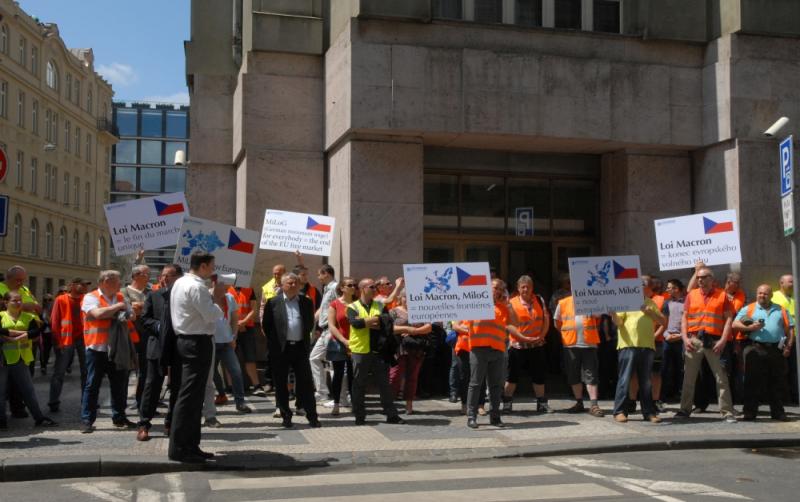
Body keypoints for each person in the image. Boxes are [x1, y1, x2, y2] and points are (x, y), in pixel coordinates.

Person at [168, 252, 223, 463]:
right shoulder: (196, 286)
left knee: (193, 395)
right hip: (196, 342)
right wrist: (217, 298)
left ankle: (190, 444)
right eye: (211, 266)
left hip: (188, 340)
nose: (213, 270)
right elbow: (211, 315)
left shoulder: (181, 282)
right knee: (190, 396)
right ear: (202, 266)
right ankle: (181, 447)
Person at [674, 266, 737, 422]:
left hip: (714, 341)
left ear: (711, 279)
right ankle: (684, 409)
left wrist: (723, 340)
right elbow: (685, 318)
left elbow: (729, 319)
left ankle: (727, 412)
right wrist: (685, 338)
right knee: (689, 377)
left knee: (721, 378)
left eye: (703, 277)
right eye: (698, 278)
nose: (700, 280)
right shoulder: (692, 295)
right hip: (694, 340)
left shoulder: (723, 296)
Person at [80, 270, 138, 433]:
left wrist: (123, 312)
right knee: (92, 385)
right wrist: (119, 308)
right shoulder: (91, 297)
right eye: (117, 281)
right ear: (106, 282)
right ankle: (87, 420)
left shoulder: (120, 296)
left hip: (117, 348)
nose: (120, 284)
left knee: (119, 385)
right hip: (97, 349)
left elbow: (132, 315)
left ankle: (119, 417)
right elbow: (97, 313)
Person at [466, 278, 529, 429]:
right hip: (478, 349)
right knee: (475, 384)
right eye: (495, 288)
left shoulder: (503, 307)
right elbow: (461, 323)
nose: (498, 291)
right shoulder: (475, 303)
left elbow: (515, 323)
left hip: (498, 350)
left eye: (501, 289)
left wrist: (509, 305)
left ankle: (495, 416)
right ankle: (471, 416)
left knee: (495, 386)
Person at [262, 273, 321, 428]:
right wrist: (276, 342)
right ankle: (285, 415)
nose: (293, 285)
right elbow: (267, 326)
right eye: (290, 283)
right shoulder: (273, 302)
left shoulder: (306, 302)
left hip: (300, 347)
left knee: (306, 383)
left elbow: (309, 323)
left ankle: (312, 416)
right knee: (281, 383)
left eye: (296, 283)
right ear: (282, 285)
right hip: (281, 349)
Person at [346, 278, 405, 426]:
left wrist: (367, 321)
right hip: (360, 350)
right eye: (372, 287)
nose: (375, 289)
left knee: (384, 384)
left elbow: (387, 323)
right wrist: (372, 321)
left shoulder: (379, 304)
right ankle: (360, 416)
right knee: (359, 384)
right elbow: (355, 323)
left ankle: (391, 415)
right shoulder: (352, 307)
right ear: (363, 289)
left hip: (379, 350)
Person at [732, 284, 793, 421]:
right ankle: (749, 412)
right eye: (760, 293)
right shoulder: (750, 308)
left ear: (771, 295)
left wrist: (788, 346)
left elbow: (790, 329)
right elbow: (735, 324)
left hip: (775, 349)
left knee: (776, 382)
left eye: (765, 294)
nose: (762, 296)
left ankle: (778, 412)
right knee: (751, 381)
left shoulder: (781, 309)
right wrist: (750, 327)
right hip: (755, 348)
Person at [609, 280, 667, 423]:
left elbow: (663, 321)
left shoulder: (650, 302)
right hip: (628, 345)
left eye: (642, 285)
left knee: (646, 381)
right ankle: (620, 411)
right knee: (624, 379)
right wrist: (613, 315)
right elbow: (619, 323)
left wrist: (649, 312)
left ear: (645, 289)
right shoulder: (624, 301)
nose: (639, 288)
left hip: (647, 346)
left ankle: (648, 413)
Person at [137, 265, 182, 441]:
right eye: (162, 276)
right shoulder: (153, 295)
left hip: (177, 348)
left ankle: (171, 422)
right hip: (156, 347)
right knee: (151, 386)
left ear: (178, 277)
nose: (163, 279)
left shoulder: (182, 296)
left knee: (177, 387)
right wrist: (159, 327)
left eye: (168, 276)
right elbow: (145, 318)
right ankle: (144, 424)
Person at [0, 291, 57, 428]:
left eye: (20, 300)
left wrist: (16, 336)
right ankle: (1, 421)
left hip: (21, 359)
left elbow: (36, 332)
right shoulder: (1, 316)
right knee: (1, 392)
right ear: (6, 302)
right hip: (3, 359)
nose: (19, 303)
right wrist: (23, 334)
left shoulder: (29, 317)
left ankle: (39, 418)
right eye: (15, 300)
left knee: (28, 391)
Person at [503, 275, 552, 414]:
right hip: (518, 345)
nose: (526, 289)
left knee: (539, 375)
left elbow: (546, 319)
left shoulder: (539, 299)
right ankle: (507, 403)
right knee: (512, 376)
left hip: (537, 344)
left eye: (528, 286)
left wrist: (541, 336)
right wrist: (523, 338)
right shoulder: (511, 302)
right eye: (523, 287)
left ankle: (542, 403)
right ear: (518, 288)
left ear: (532, 288)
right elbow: (509, 325)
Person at [554, 294, 604, 417]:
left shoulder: (593, 300)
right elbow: (557, 322)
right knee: (573, 374)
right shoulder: (563, 302)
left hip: (589, 343)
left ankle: (594, 405)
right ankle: (579, 402)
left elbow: (598, 319)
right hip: (570, 344)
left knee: (591, 374)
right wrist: (566, 334)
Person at [48, 277, 91, 413]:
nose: (85, 287)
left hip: (84, 339)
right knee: (59, 373)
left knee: (87, 372)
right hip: (66, 341)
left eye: (86, 285)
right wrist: (58, 343)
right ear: (72, 285)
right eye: (82, 284)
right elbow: (54, 322)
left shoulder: (87, 299)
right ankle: (53, 402)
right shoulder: (61, 299)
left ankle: (87, 401)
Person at [389, 290, 432, 415]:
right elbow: (390, 328)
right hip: (399, 348)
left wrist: (413, 332)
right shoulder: (394, 311)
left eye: (411, 297)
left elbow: (428, 327)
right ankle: (390, 403)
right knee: (394, 376)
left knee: (412, 377)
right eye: (406, 297)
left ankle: (409, 405)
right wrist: (408, 328)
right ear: (400, 298)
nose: (408, 300)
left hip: (416, 348)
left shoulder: (421, 310)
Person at [121, 265, 151, 410]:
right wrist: (139, 307)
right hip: (128, 338)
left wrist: (140, 307)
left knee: (145, 372)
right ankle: (121, 404)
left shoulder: (151, 292)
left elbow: (153, 310)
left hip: (147, 337)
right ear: (136, 275)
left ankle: (142, 402)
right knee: (126, 371)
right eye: (146, 274)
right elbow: (128, 310)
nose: (149, 276)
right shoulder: (124, 291)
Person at [325, 276, 356, 415]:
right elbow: (331, 325)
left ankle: (354, 403)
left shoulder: (358, 303)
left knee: (353, 375)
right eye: (350, 285)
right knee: (338, 374)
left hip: (356, 343)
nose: (353, 287)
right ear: (342, 288)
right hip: (338, 343)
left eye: (354, 285)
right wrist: (344, 340)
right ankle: (336, 403)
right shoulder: (335, 304)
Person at [228, 285, 264, 396]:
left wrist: (243, 322)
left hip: (247, 328)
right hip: (230, 328)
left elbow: (254, 309)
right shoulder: (227, 289)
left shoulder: (249, 289)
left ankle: (257, 386)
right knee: (229, 357)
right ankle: (231, 386)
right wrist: (236, 325)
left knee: (250, 357)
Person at [311, 264, 338, 404]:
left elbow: (341, 307)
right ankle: (322, 392)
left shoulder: (335, 288)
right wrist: (310, 323)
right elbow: (322, 310)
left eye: (319, 274)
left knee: (334, 363)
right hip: (324, 330)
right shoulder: (327, 289)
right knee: (314, 358)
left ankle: (338, 396)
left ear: (326, 273)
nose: (318, 277)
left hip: (332, 330)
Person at [772, 274, 798, 404]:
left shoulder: (795, 296)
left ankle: (795, 395)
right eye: (790, 282)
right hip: (781, 337)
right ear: (781, 283)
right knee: (781, 368)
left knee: (794, 368)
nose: (793, 284)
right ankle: (781, 397)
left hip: (795, 337)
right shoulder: (775, 296)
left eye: (793, 282)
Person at [660, 279, 686, 402]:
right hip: (668, 339)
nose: (667, 290)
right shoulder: (666, 303)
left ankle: (680, 395)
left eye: (669, 288)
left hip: (682, 340)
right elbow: (662, 323)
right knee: (664, 369)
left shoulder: (687, 302)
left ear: (676, 289)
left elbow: (690, 323)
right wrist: (666, 335)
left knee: (681, 369)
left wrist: (681, 336)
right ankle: (662, 397)